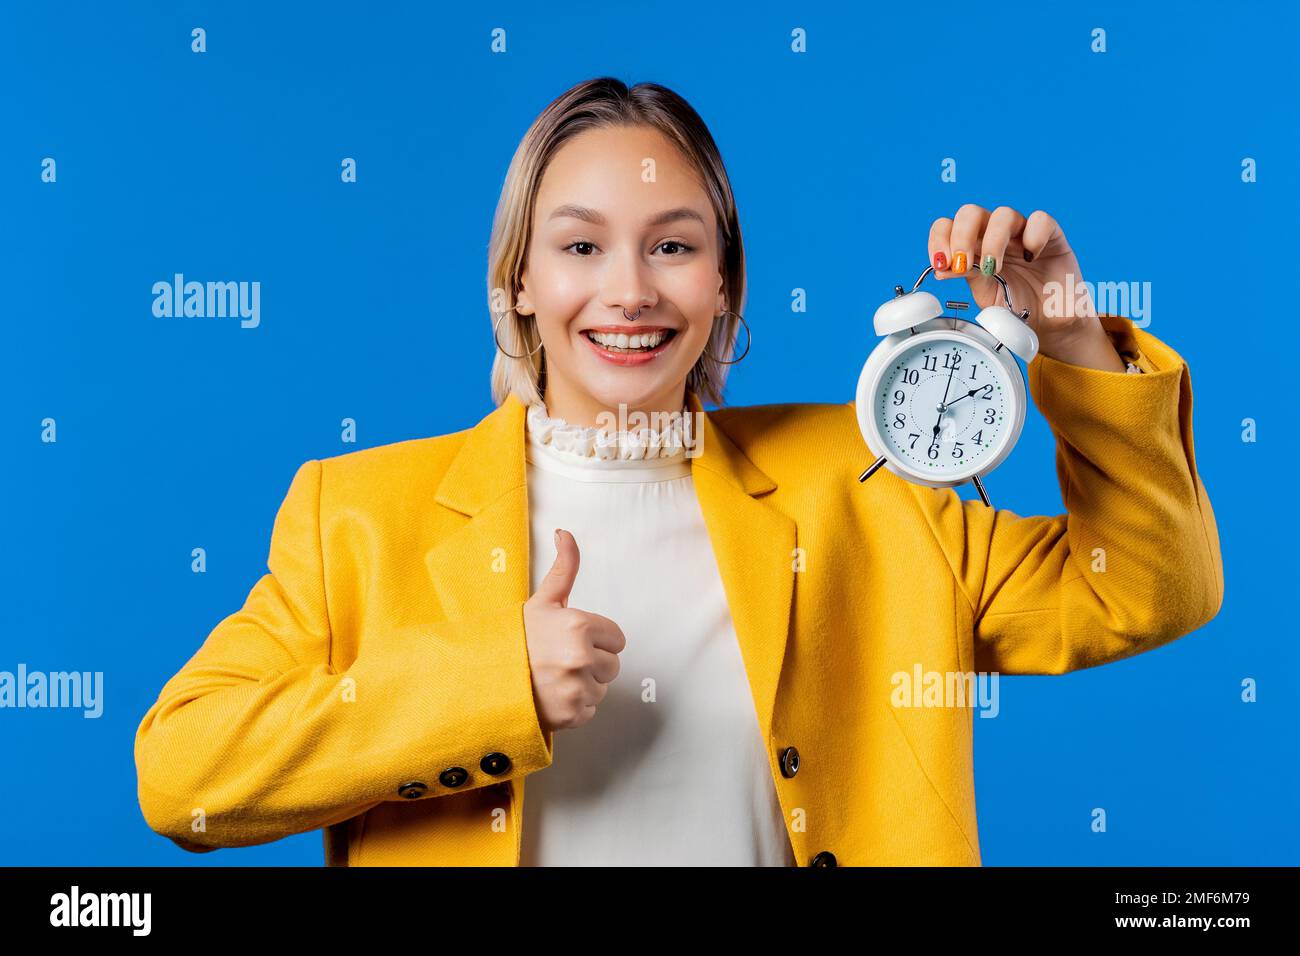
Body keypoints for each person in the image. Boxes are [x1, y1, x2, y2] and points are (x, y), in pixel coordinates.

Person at [134, 77, 1224, 866]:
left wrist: (1072, 335)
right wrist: (486, 680)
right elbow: (183, 776)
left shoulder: (867, 483)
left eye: (672, 245)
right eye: (578, 247)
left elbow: (1142, 586)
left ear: (723, 286)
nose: (629, 290)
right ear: (517, 282)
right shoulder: (360, 514)